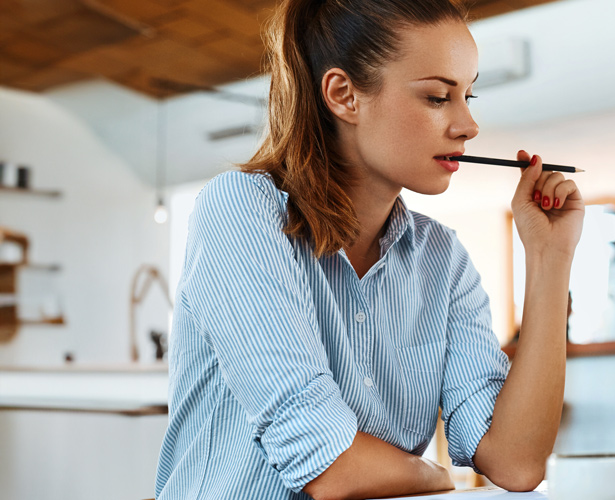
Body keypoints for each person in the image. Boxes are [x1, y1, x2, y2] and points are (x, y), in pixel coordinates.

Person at [154, 1, 583, 498]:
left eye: (469, 94)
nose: (469, 125)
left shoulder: (442, 261)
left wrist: (550, 258)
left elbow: (516, 461)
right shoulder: (241, 210)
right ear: (345, 96)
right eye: (438, 97)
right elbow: (329, 465)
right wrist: (433, 476)